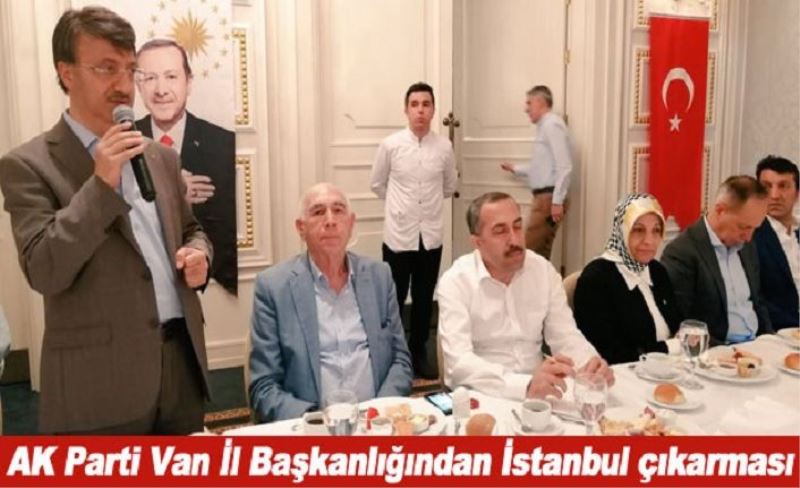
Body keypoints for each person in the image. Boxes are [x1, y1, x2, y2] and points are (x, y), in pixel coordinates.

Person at [0, 6, 212, 434]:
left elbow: (192, 230)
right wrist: (100, 185)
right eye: (106, 68)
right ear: (66, 73)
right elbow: (44, 269)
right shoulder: (28, 165)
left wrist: (199, 255)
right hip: (98, 387)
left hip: (179, 368)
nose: (123, 85)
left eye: (130, 69)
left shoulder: (161, 157)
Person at [249, 183, 413, 422]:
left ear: (351, 223)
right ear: (301, 228)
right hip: (312, 426)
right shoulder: (273, 287)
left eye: (338, 210)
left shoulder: (379, 276)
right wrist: (316, 421)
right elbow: (263, 386)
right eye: (318, 212)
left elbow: (400, 360)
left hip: (376, 422)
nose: (330, 220)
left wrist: (379, 412)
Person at [437, 192, 613, 401]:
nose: (514, 239)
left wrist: (590, 364)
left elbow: (565, 336)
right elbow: (458, 363)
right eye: (500, 231)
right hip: (483, 395)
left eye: (518, 226)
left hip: (541, 393)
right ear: (477, 242)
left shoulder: (542, 270)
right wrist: (524, 385)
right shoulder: (457, 282)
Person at [135, 38, 237, 294]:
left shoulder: (223, 143)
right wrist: (174, 192)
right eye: (150, 78)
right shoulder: (123, 143)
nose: (161, 90)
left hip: (210, 287)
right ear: (138, 86)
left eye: (171, 77)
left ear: (188, 83)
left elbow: (227, 227)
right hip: (141, 288)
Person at [370, 82, 457, 379]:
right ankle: (393, 354)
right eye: (415, 104)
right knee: (394, 296)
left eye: (426, 104)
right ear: (406, 109)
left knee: (423, 297)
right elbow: (377, 184)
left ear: (433, 110)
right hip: (398, 235)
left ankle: (418, 350)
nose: (420, 110)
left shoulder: (444, 148)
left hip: (430, 236)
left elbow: (449, 186)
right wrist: (401, 207)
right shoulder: (390, 146)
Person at [573, 194, 683, 364]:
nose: (649, 241)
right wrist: (670, 347)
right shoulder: (596, 279)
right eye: (638, 230)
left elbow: (677, 325)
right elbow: (610, 353)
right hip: (622, 375)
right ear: (622, 231)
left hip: (669, 369)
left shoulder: (656, 271)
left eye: (656, 231)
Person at [661, 176, 773, 344]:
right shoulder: (682, 252)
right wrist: (733, 353)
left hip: (757, 345)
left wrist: (769, 339)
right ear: (720, 211)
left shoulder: (746, 245)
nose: (749, 237)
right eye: (743, 227)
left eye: (754, 229)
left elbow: (757, 301)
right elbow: (682, 324)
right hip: (717, 350)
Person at [500, 85, 573, 259]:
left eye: (529, 103)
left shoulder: (552, 125)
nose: (526, 109)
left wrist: (557, 201)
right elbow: (542, 168)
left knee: (529, 254)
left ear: (540, 102)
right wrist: (515, 168)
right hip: (546, 198)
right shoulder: (546, 127)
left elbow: (564, 165)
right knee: (540, 255)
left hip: (547, 199)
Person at [754, 155, 800, 330]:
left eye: (783, 186)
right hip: (778, 331)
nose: (774, 196)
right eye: (766, 186)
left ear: (797, 194)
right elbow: (756, 298)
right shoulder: (750, 235)